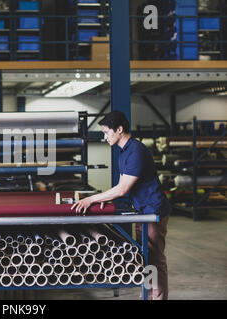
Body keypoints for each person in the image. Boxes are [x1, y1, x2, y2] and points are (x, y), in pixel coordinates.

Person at [71, 110, 171, 300]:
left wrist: (92, 199)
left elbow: (123, 189)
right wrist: (106, 198)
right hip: (142, 211)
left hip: (153, 211)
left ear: (119, 129)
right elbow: (119, 187)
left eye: (107, 132)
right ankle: (148, 296)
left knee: (155, 259)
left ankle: (157, 298)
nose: (104, 137)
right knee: (146, 258)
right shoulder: (123, 153)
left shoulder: (136, 151)